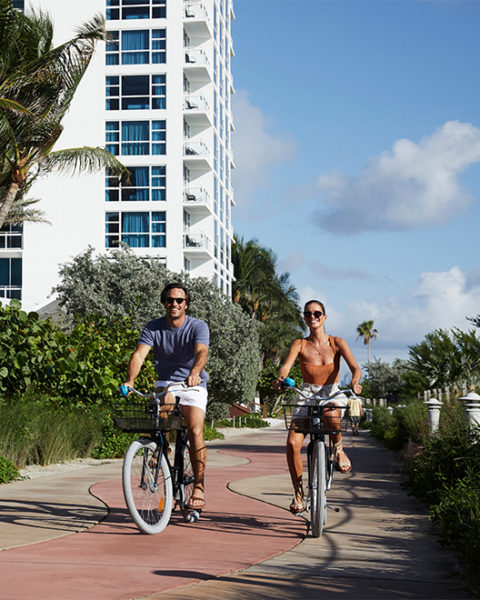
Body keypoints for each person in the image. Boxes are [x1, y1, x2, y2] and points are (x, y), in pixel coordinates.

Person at [122, 282, 209, 511]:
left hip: (193, 383)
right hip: (166, 383)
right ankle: (162, 448)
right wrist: (130, 380)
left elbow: (202, 352)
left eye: (179, 300)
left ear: (186, 304)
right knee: (162, 406)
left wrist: (195, 373)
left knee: (195, 430)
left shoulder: (197, 326)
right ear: (164, 302)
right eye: (170, 300)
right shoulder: (153, 327)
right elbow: (139, 355)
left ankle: (198, 486)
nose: (174, 304)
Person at [272, 300, 362, 514]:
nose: (312, 317)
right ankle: (298, 493)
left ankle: (338, 450)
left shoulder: (337, 342)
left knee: (331, 411)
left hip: (331, 391)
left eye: (317, 313)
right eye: (308, 314)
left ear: (324, 317)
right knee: (293, 442)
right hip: (307, 392)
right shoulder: (299, 344)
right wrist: (280, 379)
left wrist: (355, 382)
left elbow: (355, 368)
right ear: (304, 317)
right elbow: (285, 366)